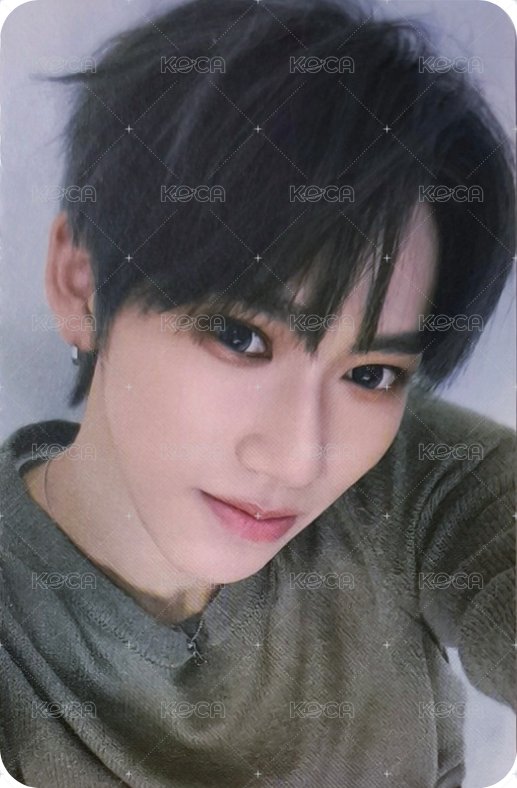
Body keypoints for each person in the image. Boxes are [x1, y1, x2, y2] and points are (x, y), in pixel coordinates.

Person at [0, 0, 514, 785]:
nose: (298, 458)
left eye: (370, 374)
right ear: (81, 284)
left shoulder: (423, 478)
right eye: (239, 336)